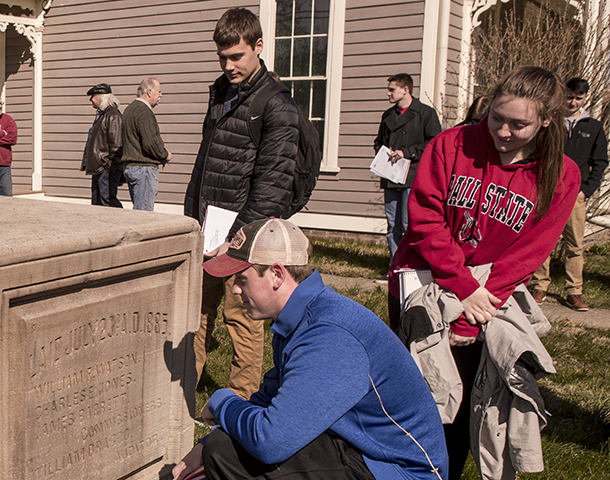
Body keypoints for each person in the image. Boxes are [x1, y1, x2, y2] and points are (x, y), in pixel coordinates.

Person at [388, 66, 580, 479]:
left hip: (487, 297)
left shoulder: (561, 174)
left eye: (519, 124)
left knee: (462, 406)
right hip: (423, 281)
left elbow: (532, 249)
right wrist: (460, 286)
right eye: (496, 117)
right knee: (419, 396)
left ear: (546, 120)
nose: (503, 132)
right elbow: (424, 220)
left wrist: (482, 299)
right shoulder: (452, 144)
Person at [172, 218, 448, 480]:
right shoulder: (302, 316)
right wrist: (205, 442)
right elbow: (271, 397)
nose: (234, 290)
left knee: (227, 453)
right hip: (363, 450)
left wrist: (222, 402)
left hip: (397, 469)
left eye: (242, 279)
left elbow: (271, 441)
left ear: (276, 274)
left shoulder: (330, 335)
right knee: (222, 445)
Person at [183, 7, 302, 400]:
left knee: (243, 320)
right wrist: (191, 218)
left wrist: (236, 241)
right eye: (223, 57)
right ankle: (183, 390)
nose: (229, 65)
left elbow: (272, 187)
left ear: (259, 47)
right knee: (194, 316)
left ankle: (238, 403)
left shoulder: (277, 106)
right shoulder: (221, 92)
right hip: (207, 226)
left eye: (237, 56)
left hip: (242, 239)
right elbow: (207, 160)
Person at [528, 77, 608, 311]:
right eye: (569, 97)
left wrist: (587, 190)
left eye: (578, 98)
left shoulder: (593, 126)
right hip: (548, 191)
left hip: (576, 196)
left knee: (575, 245)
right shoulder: (549, 122)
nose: (573, 102)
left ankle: (574, 291)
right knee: (543, 240)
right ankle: (539, 286)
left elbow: (600, 162)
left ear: (585, 98)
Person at [374, 73, 442, 272]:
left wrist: (408, 153)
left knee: (407, 224)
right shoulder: (387, 115)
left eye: (392, 89)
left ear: (406, 90)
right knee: (392, 225)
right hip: (390, 176)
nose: (388, 93)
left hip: (413, 176)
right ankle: (394, 267)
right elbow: (379, 141)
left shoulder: (425, 114)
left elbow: (434, 143)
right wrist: (383, 154)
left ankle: (411, 266)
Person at [121, 78, 171, 211]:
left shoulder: (129, 109)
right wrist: (165, 155)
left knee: (139, 211)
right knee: (143, 214)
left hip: (131, 168)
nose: (161, 95)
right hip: (144, 169)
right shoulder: (144, 112)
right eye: (159, 92)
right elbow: (150, 143)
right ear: (149, 92)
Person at [81, 83, 124, 207]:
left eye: (93, 96)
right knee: (97, 202)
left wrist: (109, 167)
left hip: (106, 169)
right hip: (99, 169)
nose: (91, 100)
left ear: (101, 97)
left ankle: (121, 223)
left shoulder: (113, 116)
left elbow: (116, 146)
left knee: (108, 201)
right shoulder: (102, 116)